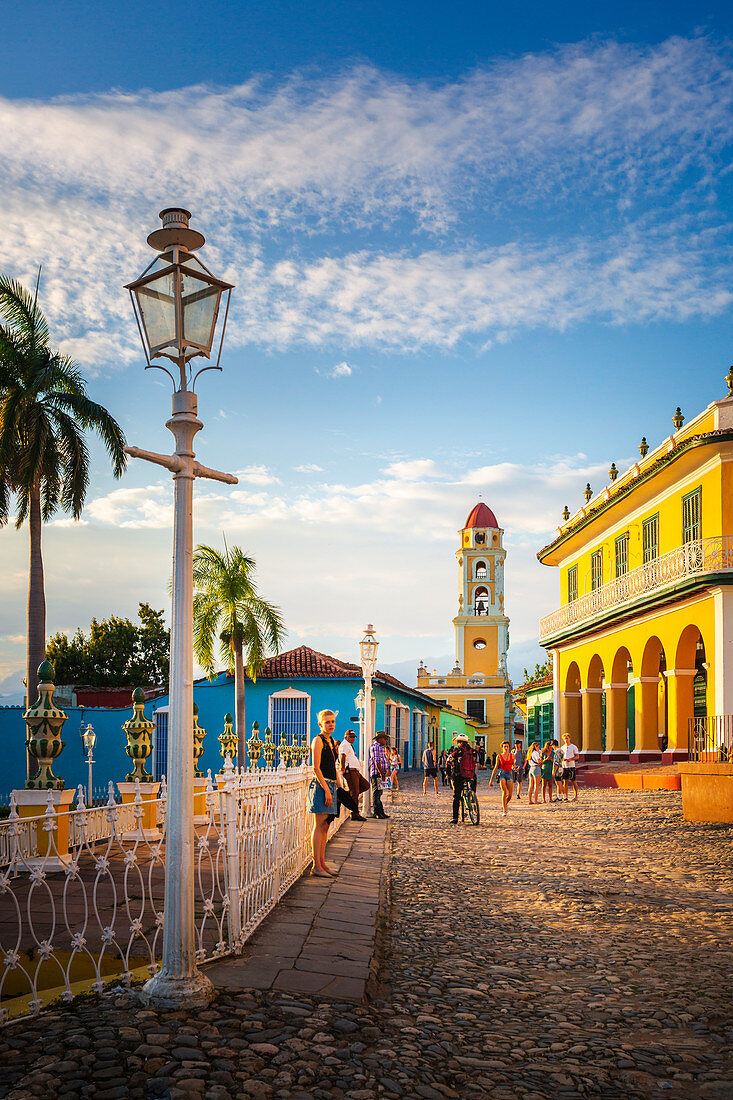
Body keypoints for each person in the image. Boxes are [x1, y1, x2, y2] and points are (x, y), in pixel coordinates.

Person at [308, 710, 340, 876]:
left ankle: (322, 863)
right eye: (327, 722)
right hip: (322, 786)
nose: (331, 724)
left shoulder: (331, 740)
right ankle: (316, 866)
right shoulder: (318, 741)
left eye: (332, 721)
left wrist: (339, 785)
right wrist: (327, 790)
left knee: (326, 826)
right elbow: (316, 767)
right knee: (319, 826)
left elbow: (333, 766)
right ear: (320, 724)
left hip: (332, 785)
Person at [339, 728, 367, 821]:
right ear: (346, 737)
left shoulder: (349, 745)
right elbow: (342, 755)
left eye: (354, 737)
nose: (353, 739)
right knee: (355, 792)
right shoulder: (345, 745)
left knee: (365, 785)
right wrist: (343, 768)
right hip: (350, 770)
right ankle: (355, 813)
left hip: (355, 770)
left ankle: (345, 796)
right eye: (351, 737)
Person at [448, 734, 477, 825]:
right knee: (473, 781)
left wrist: (448, 774)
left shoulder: (457, 751)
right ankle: (472, 796)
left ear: (459, 743)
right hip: (471, 775)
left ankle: (455, 818)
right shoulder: (472, 751)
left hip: (459, 776)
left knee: (456, 797)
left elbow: (448, 762)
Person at [489, 740, 515, 816]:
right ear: (502, 748)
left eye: (507, 746)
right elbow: (495, 768)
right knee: (504, 792)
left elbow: (513, 765)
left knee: (510, 795)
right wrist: (491, 780)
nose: (506, 748)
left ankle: (504, 804)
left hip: (510, 773)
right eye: (504, 747)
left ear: (509, 747)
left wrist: (514, 768)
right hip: (502, 774)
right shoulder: (499, 756)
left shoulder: (512, 756)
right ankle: (504, 810)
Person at [369, 730, 390, 819]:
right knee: (376, 792)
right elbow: (377, 761)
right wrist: (382, 773)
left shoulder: (381, 747)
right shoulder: (376, 747)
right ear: (380, 739)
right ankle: (377, 812)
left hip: (381, 773)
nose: (386, 741)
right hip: (377, 773)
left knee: (380, 793)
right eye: (385, 739)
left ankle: (381, 811)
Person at [561, 732, 580, 802]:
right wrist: (563, 759)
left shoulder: (573, 747)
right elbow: (560, 757)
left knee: (573, 781)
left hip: (571, 766)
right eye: (565, 739)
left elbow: (577, 756)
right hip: (564, 766)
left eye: (567, 738)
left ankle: (576, 796)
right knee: (565, 781)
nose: (566, 740)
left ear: (569, 738)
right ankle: (565, 796)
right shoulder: (562, 747)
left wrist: (571, 759)